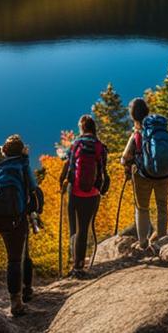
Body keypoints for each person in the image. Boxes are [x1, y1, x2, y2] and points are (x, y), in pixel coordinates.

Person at [0, 135, 42, 316]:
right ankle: (17, 302)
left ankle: (21, 294)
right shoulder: (22, 165)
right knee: (17, 259)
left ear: (5, 153)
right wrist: (25, 159)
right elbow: (33, 187)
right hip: (16, 218)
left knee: (13, 256)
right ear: (21, 151)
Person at [121, 97, 168, 252]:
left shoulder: (137, 134)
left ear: (132, 116)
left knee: (142, 208)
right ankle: (163, 240)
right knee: (162, 205)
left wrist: (126, 164)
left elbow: (125, 159)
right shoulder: (159, 129)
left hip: (143, 176)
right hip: (165, 174)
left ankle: (143, 243)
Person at [59, 115, 108, 278]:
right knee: (84, 228)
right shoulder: (100, 146)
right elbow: (103, 170)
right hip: (92, 193)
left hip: (74, 191)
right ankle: (79, 264)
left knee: (74, 228)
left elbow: (68, 163)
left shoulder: (76, 144)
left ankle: (75, 264)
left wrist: (62, 182)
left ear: (82, 128)